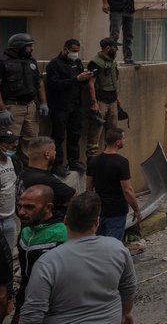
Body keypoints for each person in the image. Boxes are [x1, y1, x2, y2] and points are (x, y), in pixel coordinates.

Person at [19, 191, 136, 323]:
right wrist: (127, 314)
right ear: (97, 222)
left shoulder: (47, 263)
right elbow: (128, 286)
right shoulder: (118, 249)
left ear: (65, 220)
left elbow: (32, 313)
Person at [15, 185, 66, 317]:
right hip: (27, 299)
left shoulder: (63, 234)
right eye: (19, 206)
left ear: (48, 207)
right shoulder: (26, 230)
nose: (21, 212)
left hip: (54, 307)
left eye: (29, 207)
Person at [44, 39, 93, 177]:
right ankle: (57, 164)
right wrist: (75, 79)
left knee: (74, 134)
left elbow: (78, 83)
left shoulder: (77, 63)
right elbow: (54, 84)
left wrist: (85, 79)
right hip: (60, 106)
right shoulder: (54, 64)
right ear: (65, 49)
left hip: (76, 105)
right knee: (58, 136)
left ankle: (73, 161)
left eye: (77, 51)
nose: (75, 54)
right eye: (73, 51)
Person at [86, 128, 141, 241]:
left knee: (98, 243)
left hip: (99, 211)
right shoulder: (122, 162)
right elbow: (127, 190)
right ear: (118, 142)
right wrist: (136, 209)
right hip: (116, 212)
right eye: (123, 139)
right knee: (112, 245)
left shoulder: (93, 161)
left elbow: (88, 189)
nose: (124, 141)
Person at [0, 34, 48, 160]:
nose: (32, 49)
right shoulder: (3, 61)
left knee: (31, 140)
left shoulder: (31, 60)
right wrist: (2, 109)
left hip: (30, 106)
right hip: (12, 106)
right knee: (10, 142)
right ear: (19, 46)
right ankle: (9, 173)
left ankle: (28, 173)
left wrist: (43, 103)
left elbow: (39, 82)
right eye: (29, 46)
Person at [20, 137, 75, 223]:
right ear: (47, 154)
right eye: (54, 150)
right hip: (48, 230)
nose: (55, 153)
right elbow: (74, 198)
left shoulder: (22, 175)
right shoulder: (46, 180)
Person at [87, 38, 121, 159]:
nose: (117, 49)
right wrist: (94, 102)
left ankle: (110, 154)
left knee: (112, 129)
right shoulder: (95, 63)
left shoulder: (112, 61)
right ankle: (91, 156)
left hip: (112, 100)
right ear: (107, 48)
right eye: (114, 47)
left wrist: (117, 97)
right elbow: (91, 83)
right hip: (101, 100)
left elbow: (115, 80)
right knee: (96, 129)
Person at [0, 130, 19, 256]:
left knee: (8, 256)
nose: (14, 145)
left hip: (9, 219)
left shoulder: (14, 160)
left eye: (15, 141)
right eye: (10, 142)